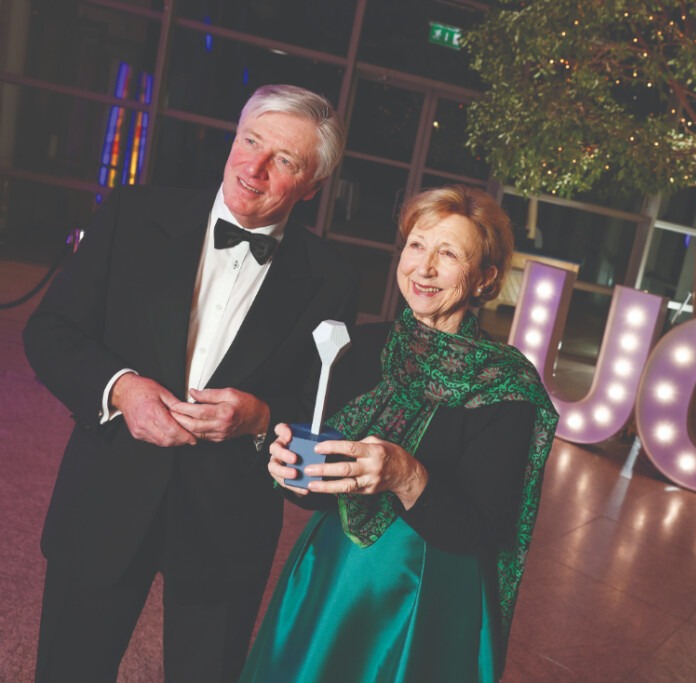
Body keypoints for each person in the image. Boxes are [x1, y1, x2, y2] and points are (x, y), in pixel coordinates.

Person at [23, 84, 359, 683]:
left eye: (283, 160)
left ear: (311, 186)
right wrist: (122, 389)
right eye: (250, 142)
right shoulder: (133, 214)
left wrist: (260, 417)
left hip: (225, 529)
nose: (253, 169)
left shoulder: (331, 278)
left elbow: (324, 409)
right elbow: (51, 330)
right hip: (105, 501)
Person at [240, 185, 559, 682]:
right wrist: (289, 467)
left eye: (448, 253)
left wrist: (407, 476)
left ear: (484, 279)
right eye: (416, 244)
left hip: (427, 593)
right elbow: (321, 493)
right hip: (332, 578)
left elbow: (481, 529)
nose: (423, 267)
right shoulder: (361, 347)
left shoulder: (506, 387)